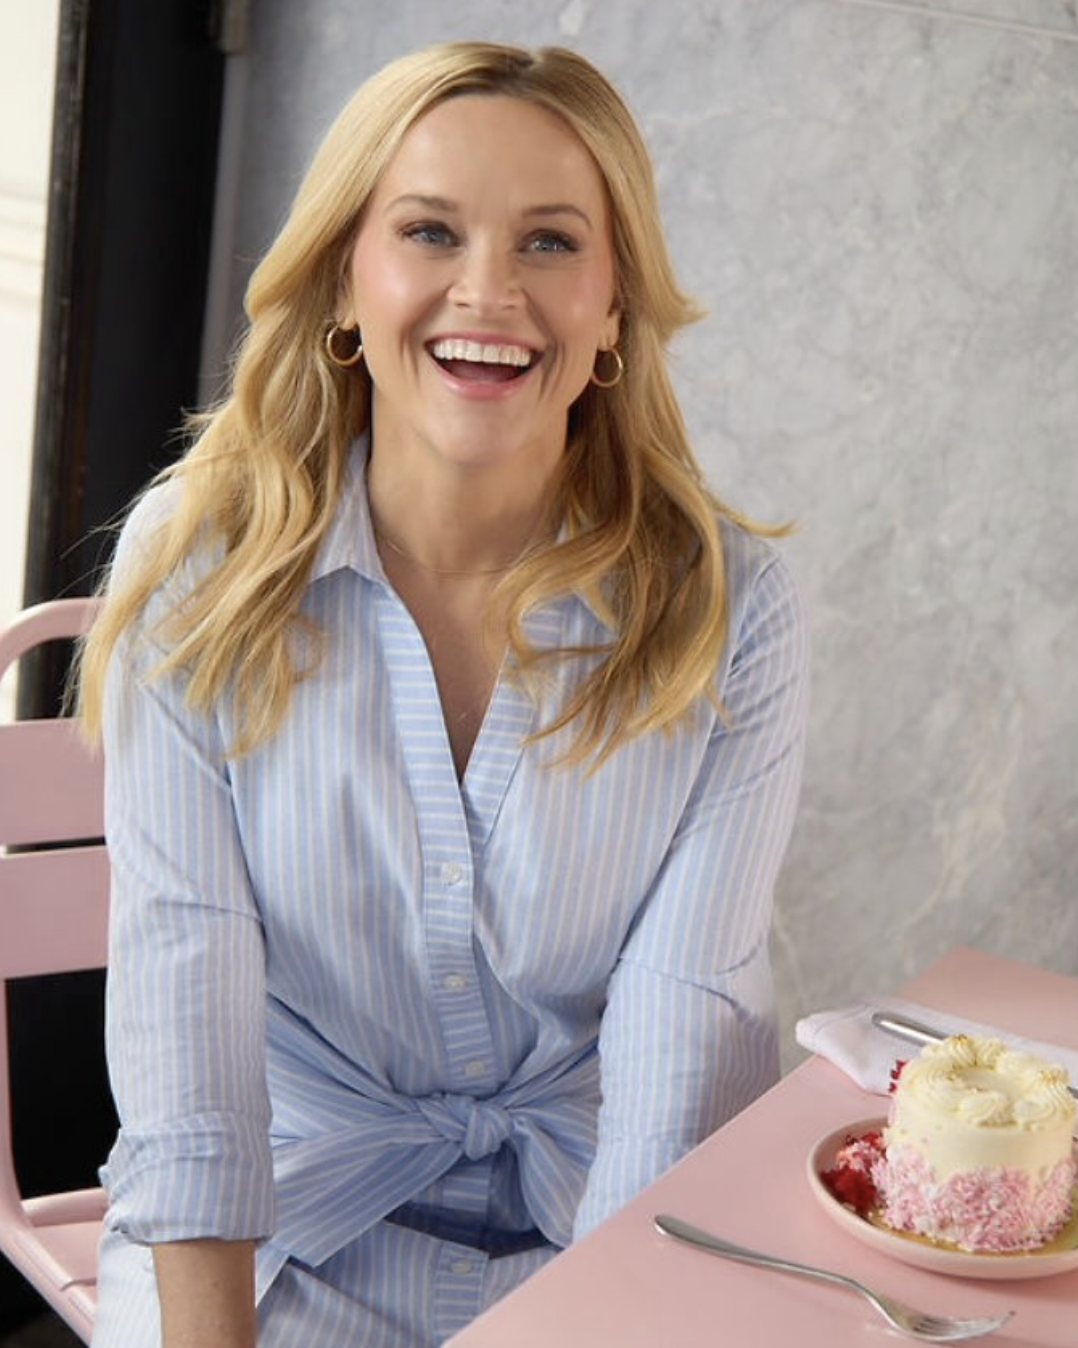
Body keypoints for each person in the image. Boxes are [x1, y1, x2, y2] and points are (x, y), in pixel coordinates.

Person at [78, 40, 809, 1348]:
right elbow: (184, 1014)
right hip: (281, 1248)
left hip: (611, 1247)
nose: (488, 291)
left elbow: (679, 1044)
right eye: (428, 230)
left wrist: (607, 1325)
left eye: (547, 243)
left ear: (612, 308)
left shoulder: (727, 606)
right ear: (345, 287)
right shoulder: (196, 568)